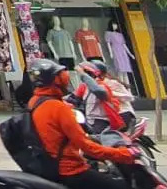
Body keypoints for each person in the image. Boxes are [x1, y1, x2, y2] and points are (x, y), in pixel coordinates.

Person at [26, 57, 136, 189]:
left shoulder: (35, 102)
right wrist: (123, 154)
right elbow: (86, 146)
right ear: (56, 80)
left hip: (50, 166)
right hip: (70, 170)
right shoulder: (58, 107)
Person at [73, 61, 135, 132]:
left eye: (88, 73)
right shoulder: (85, 86)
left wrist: (111, 94)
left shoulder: (105, 85)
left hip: (121, 115)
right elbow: (74, 98)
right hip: (94, 119)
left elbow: (129, 97)